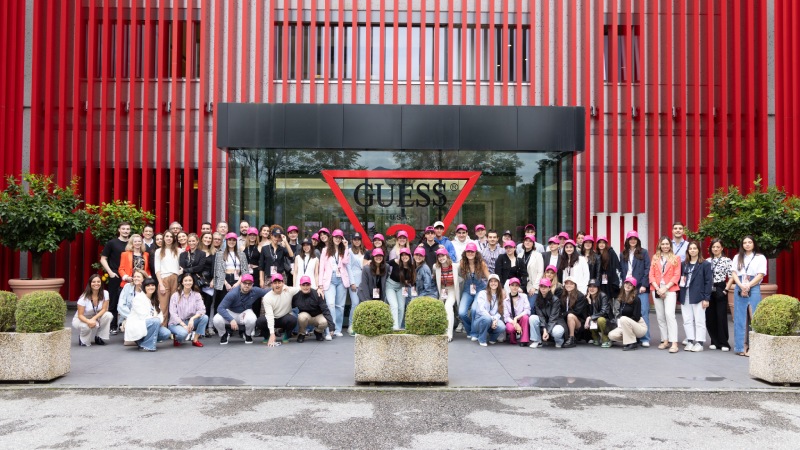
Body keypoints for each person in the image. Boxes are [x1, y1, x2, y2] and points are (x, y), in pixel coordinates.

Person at [731, 235, 767, 357]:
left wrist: (748, 285)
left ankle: (754, 347)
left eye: (749, 242)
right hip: (740, 285)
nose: (747, 244)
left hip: (754, 286)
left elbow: (761, 274)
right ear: (742, 245)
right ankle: (741, 346)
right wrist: (741, 285)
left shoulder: (760, 257)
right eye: (745, 242)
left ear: (754, 243)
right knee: (739, 317)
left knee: (754, 316)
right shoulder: (737, 257)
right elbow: (734, 273)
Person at [213, 274, 268, 344]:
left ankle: (247, 335)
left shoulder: (255, 291)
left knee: (252, 319)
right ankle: (223, 335)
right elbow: (220, 308)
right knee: (216, 319)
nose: (247, 285)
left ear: (252, 284)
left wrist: (281, 288)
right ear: (241, 283)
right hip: (231, 312)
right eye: (245, 283)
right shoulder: (233, 293)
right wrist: (231, 319)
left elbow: (268, 291)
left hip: (244, 312)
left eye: (249, 284)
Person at [620, 230, 652, 347]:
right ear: (627, 241)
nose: (632, 241)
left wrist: (644, 284)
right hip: (628, 287)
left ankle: (645, 338)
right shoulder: (623, 254)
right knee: (630, 312)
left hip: (640, 286)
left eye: (634, 239)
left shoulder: (643, 252)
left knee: (643, 311)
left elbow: (647, 269)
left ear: (637, 240)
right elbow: (622, 270)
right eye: (630, 239)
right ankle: (633, 337)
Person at [650, 236, 682, 353]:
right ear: (660, 245)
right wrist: (658, 288)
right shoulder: (655, 258)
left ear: (670, 245)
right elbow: (651, 274)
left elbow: (676, 275)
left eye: (667, 244)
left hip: (670, 289)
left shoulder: (676, 258)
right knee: (660, 316)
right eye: (663, 244)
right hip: (657, 289)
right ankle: (665, 340)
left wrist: (665, 288)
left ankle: (674, 342)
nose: (665, 246)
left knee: (669, 315)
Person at [679, 241, 713, 352]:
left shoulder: (705, 264)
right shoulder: (684, 264)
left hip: (699, 296)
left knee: (699, 320)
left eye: (695, 248)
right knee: (687, 319)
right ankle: (690, 341)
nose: (692, 250)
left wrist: (706, 298)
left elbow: (708, 282)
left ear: (698, 250)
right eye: (690, 248)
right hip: (685, 294)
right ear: (688, 251)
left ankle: (699, 342)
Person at [99, 221, 131, 333]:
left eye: (127, 229)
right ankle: (112, 326)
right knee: (113, 300)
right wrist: (110, 272)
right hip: (116, 275)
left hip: (129, 276)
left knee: (129, 300)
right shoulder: (112, 243)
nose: (125, 231)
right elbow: (103, 259)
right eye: (123, 229)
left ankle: (125, 325)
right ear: (119, 230)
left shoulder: (132, 243)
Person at [124, 277, 172, 352]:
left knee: (166, 333)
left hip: (150, 323)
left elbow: (160, 315)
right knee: (155, 321)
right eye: (148, 286)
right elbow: (143, 316)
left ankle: (141, 343)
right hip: (138, 324)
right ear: (144, 287)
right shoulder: (138, 298)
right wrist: (156, 319)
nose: (151, 287)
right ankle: (148, 346)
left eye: (152, 285)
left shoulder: (155, 299)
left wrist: (157, 320)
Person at [318, 229, 350, 337]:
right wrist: (320, 284)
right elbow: (321, 268)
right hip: (329, 279)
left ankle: (337, 329)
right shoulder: (325, 250)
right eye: (336, 237)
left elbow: (345, 261)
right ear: (332, 238)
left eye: (340, 237)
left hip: (341, 279)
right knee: (330, 304)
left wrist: (346, 247)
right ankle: (329, 330)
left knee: (340, 306)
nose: (338, 239)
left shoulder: (343, 249)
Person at [213, 232, 250, 320]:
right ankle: (222, 323)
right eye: (229, 240)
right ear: (226, 241)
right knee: (223, 302)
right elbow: (218, 270)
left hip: (237, 279)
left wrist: (238, 283)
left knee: (237, 301)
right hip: (224, 279)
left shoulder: (241, 254)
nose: (232, 242)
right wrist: (226, 283)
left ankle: (237, 322)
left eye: (234, 240)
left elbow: (245, 270)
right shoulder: (220, 254)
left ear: (236, 242)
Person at [257, 273, 301, 346]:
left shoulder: (289, 291)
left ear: (283, 283)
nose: (277, 285)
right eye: (275, 283)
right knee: (260, 321)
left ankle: (286, 335)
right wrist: (272, 333)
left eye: (279, 282)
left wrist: (319, 289)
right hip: (273, 317)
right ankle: (267, 336)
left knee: (293, 320)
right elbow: (269, 316)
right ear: (272, 285)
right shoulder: (267, 297)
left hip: (284, 317)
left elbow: (302, 288)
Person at [458, 242, 490, 340]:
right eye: (468, 251)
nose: (470, 253)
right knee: (461, 312)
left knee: (474, 310)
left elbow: (489, 277)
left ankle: (474, 333)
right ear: (465, 252)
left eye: (472, 251)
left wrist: (493, 289)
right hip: (467, 290)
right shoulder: (462, 263)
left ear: (476, 253)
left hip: (480, 289)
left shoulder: (481, 264)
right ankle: (470, 330)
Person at [168, 273, 208, 347]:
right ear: (182, 282)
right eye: (185, 280)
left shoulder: (197, 295)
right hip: (176, 323)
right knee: (183, 333)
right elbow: (173, 313)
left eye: (190, 280)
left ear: (193, 282)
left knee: (204, 317)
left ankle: (195, 340)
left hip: (189, 322)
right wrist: (183, 325)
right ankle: (177, 337)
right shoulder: (175, 296)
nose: (188, 282)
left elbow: (202, 310)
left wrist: (192, 319)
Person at [706, 239, 733, 351]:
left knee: (721, 316)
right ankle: (714, 341)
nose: (715, 249)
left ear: (722, 248)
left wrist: (726, 290)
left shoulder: (727, 260)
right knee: (710, 316)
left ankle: (723, 342)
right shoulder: (707, 261)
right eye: (713, 247)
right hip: (709, 288)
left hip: (721, 287)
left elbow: (731, 276)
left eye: (718, 247)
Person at [72, 274, 112, 347]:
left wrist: (93, 319)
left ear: (101, 283)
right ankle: (82, 338)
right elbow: (80, 315)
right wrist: (89, 321)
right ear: (90, 283)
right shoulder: (83, 298)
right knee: (86, 328)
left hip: (96, 316)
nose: (96, 284)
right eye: (93, 282)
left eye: (98, 282)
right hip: (82, 318)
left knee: (108, 315)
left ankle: (99, 337)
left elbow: (104, 309)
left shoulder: (105, 293)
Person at [608, 277, 648, 350]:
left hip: (639, 326)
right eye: (626, 283)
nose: (627, 286)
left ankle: (632, 343)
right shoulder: (622, 298)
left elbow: (636, 317)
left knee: (623, 319)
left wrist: (624, 322)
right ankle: (633, 339)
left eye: (630, 285)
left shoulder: (636, 299)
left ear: (633, 287)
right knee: (611, 335)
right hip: (626, 324)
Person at [293, 275, 336, 342]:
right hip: (305, 317)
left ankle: (318, 332)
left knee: (324, 321)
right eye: (303, 285)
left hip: (317, 316)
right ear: (300, 286)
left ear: (310, 285)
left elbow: (325, 310)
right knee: (301, 317)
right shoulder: (296, 296)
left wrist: (331, 327)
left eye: (307, 285)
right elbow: (291, 307)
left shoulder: (318, 294)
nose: (305, 287)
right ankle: (302, 333)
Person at [529, 278, 566, 348]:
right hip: (545, 322)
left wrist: (547, 332)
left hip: (556, 323)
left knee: (557, 331)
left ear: (549, 288)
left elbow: (553, 318)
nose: (543, 289)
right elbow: (540, 316)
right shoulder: (537, 300)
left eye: (545, 287)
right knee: (532, 318)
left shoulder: (555, 300)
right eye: (541, 286)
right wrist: (545, 330)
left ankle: (559, 341)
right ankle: (537, 341)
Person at [154, 230, 181, 326]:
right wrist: (160, 284)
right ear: (164, 238)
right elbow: (157, 269)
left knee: (175, 306)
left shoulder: (178, 251)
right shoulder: (158, 251)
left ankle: (174, 328)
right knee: (163, 306)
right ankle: (163, 328)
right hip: (164, 279)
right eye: (167, 236)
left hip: (175, 278)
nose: (169, 238)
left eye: (171, 237)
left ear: (174, 239)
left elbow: (181, 266)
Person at [471, 274, 506, 346]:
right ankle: (482, 339)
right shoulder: (482, 293)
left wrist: (495, 320)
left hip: (492, 320)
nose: (493, 283)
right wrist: (492, 319)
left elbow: (499, 312)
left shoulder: (500, 295)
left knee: (502, 327)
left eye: (495, 281)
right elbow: (481, 310)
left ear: (498, 283)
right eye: (491, 281)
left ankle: (492, 338)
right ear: (488, 283)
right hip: (480, 320)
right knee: (487, 319)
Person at [434, 248, 460, 342]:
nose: (441, 258)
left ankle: (449, 334)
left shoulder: (455, 266)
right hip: (443, 290)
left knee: (448, 307)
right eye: (439, 256)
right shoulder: (435, 267)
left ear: (447, 256)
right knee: (439, 308)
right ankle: (441, 329)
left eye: (443, 256)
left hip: (452, 289)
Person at [386, 248, 415, 330]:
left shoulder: (411, 266)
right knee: (394, 305)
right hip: (390, 285)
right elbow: (384, 264)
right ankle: (394, 327)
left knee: (401, 308)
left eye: (406, 255)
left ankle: (397, 327)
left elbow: (412, 280)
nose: (404, 257)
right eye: (402, 255)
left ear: (409, 256)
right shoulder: (395, 262)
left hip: (402, 287)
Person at [345, 233, 366, 336]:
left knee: (362, 304)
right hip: (354, 281)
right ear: (352, 241)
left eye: (358, 239)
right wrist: (352, 282)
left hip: (364, 281)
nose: (357, 241)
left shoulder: (365, 251)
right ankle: (351, 326)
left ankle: (360, 325)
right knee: (355, 303)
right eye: (355, 239)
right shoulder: (349, 251)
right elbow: (348, 268)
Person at [561, 276, 589, 348]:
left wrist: (563, 314)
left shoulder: (580, 296)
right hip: (565, 318)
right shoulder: (562, 295)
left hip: (579, 321)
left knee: (570, 316)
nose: (568, 285)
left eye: (571, 284)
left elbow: (577, 312)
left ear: (575, 285)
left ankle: (572, 338)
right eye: (567, 283)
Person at [584, 278, 612, 348]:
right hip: (595, 321)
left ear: (598, 288)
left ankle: (606, 339)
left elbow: (604, 312)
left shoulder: (603, 295)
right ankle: (596, 338)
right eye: (590, 286)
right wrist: (589, 302)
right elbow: (588, 313)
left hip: (607, 321)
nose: (592, 289)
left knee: (600, 319)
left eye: (594, 286)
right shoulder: (587, 297)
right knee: (590, 319)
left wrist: (590, 317)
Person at [117, 270, 147, 334]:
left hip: (143, 318)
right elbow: (121, 306)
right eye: (134, 276)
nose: (136, 278)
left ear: (144, 279)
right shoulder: (127, 287)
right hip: (128, 317)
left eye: (138, 277)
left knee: (164, 333)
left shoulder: (148, 288)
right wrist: (132, 317)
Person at [503, 277, 530, 346]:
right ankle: (513, 338)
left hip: (520, 319)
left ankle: (524, 340)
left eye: (516, 285)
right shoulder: (505, 301)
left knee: (526, 317)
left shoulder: (524, 296)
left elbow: (527, 310)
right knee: (511, 329)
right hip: (511, 321)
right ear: (509, 286)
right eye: (512, 285)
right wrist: (515, 323)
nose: (514, 287)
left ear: (519, 287)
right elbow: (506, 317)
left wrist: (517, 317)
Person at [596, 236, 621, 301]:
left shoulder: (611, 252)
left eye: (603, 243)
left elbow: (616, 266)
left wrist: (616, 282)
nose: (601, 244)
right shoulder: (596, 254)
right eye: (599, 243)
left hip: (611, 281)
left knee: (611, 300)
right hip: (602, 281)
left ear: (606, 244)